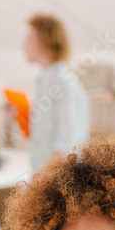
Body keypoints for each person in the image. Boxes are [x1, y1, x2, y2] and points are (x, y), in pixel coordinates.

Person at [23, 14, 89, 172]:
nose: (24, 47)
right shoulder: (46, 81)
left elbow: (67, 143)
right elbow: (42, 136)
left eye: (29, 40)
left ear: (45, 42)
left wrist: (45, 185)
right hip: (44, 178)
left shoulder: (63, 83)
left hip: (56, 182)